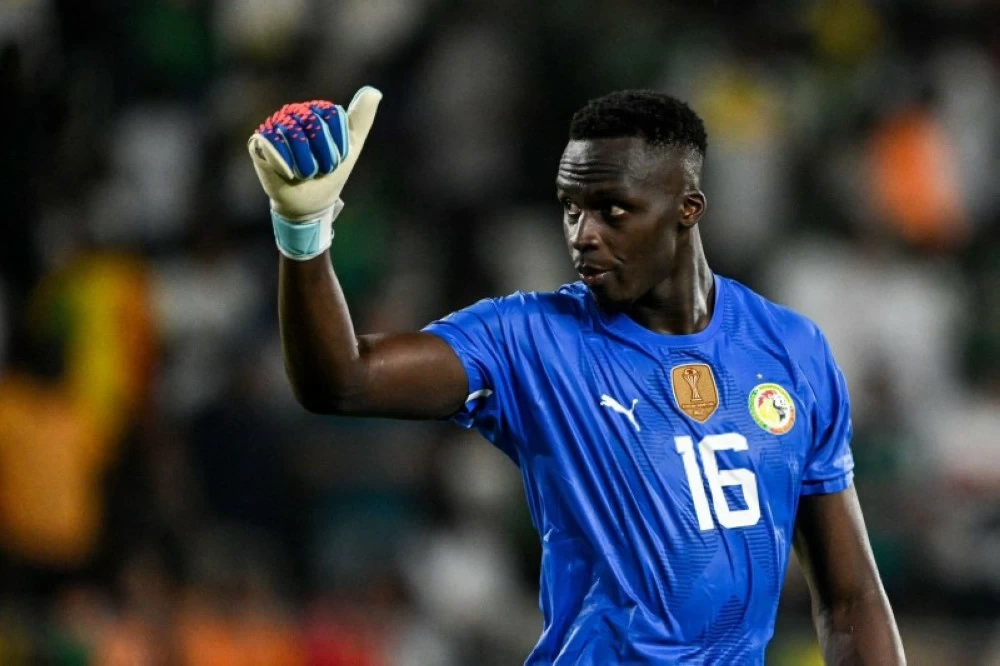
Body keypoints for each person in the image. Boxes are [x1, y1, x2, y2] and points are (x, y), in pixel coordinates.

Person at [247, 87, 906, 665]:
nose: (582, 234)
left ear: (687, 208)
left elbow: (850, 597)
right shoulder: (529, 340)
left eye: (612, 210)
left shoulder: (792, 350)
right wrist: (303, 232)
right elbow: (343, 380)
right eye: (570, 208)